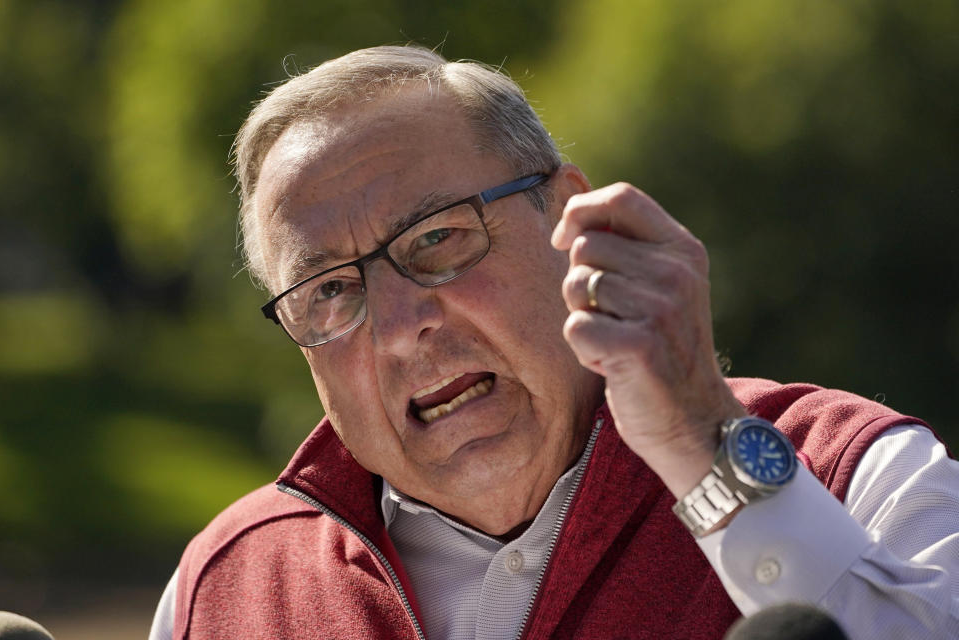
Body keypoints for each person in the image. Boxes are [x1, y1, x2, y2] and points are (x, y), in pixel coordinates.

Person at [148, 45, 959, 640]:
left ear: (571, 220)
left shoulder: (857, 472)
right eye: (329, 290)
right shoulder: (226, 587)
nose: (401, 328)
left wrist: (700, 444)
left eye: (436, 239)